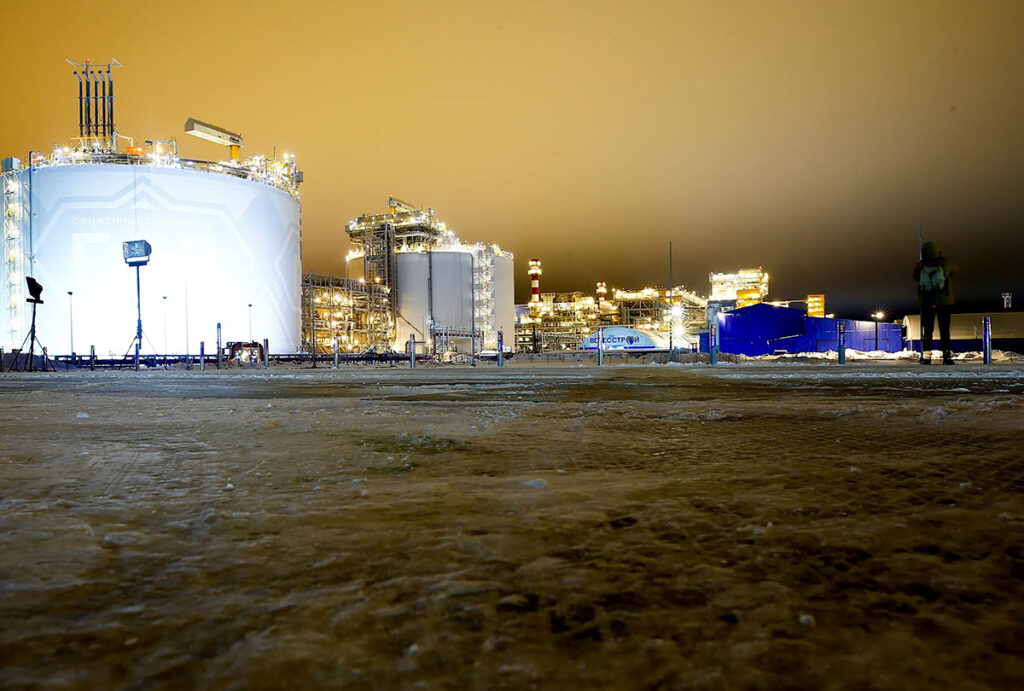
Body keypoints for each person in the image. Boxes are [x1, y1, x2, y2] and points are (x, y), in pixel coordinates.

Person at [913, 240, 957, 365]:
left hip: (927, 302)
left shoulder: (921, 264)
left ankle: (927, 357)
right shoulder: (944, 262)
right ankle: (946, 357)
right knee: (944, 330)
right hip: (944, 302)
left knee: (927, 331)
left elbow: (915, 277)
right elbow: (955, 271)